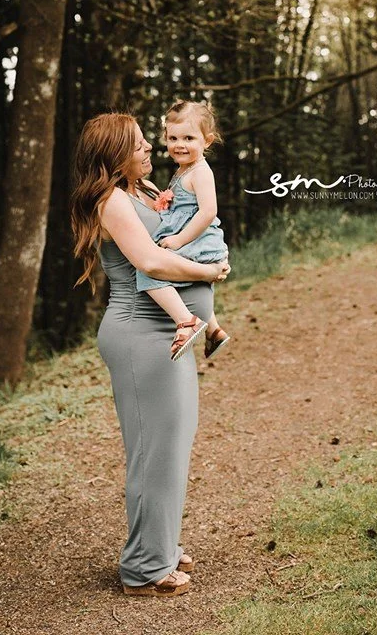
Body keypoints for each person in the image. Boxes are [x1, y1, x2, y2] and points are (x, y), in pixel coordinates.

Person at [70, 112, 230, 597]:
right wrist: (208, 274)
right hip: (140, 335)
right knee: (154, 452)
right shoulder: (111, 200)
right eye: (138, 145)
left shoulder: (142, 190)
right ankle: (144, 569)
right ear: (114, 153)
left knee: (171, 446)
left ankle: (159, 543)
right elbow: (151, 261)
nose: (148, 150)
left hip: (167, 334)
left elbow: (187, 222)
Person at [136, 100, 231, 361]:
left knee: (149, 271)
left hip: (198, 239)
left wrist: (178, 240)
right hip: (193, 238)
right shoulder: (183, 170)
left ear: (207, 141)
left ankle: (185, 322)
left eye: (189, 138)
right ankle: (213, 330)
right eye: (173, 138)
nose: (180, 144)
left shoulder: (200, 171)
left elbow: (208, 211)